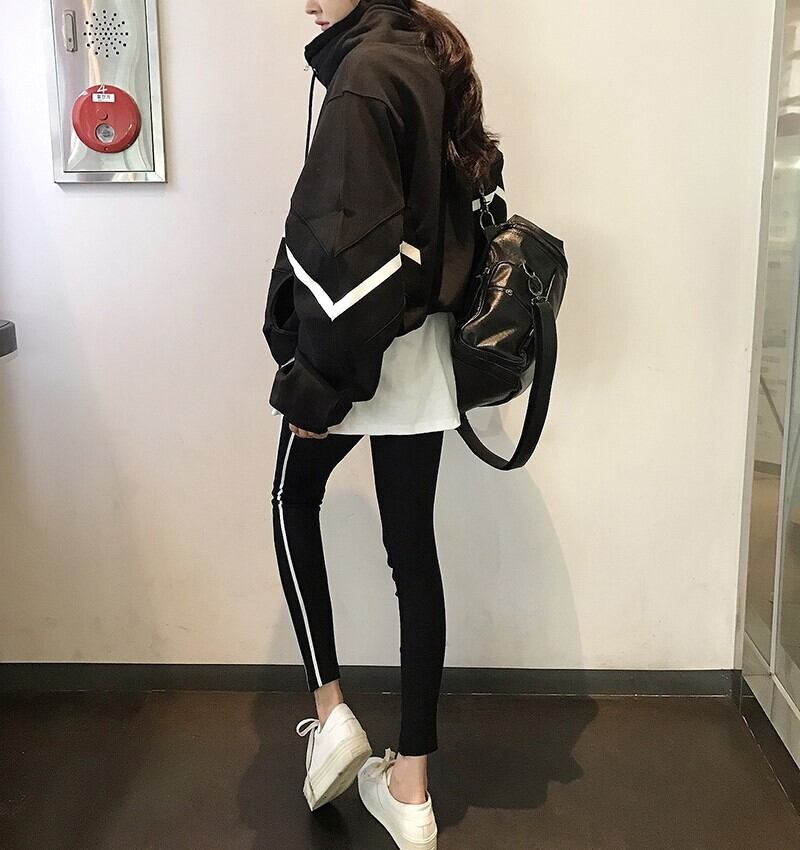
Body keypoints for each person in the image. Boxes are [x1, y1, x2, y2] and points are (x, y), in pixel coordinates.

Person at [263, 1, 507, 846]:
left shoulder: (363, 76)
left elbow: (344, 245)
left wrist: (319, 388)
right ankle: (411, 791)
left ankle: (332, 714)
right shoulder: (424, 56)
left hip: (360, 348)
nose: (304, 2)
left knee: (290, 500)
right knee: (412, 553)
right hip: (421, 349)